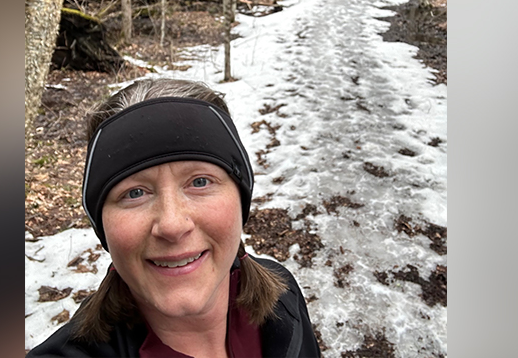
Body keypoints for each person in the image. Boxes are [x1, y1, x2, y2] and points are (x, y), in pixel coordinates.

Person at [27, 78, 321, 358]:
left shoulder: (284, 301)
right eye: (135, 193)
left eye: (200, 182)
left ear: (240, 199)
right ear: (101, 224)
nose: (171, 225)